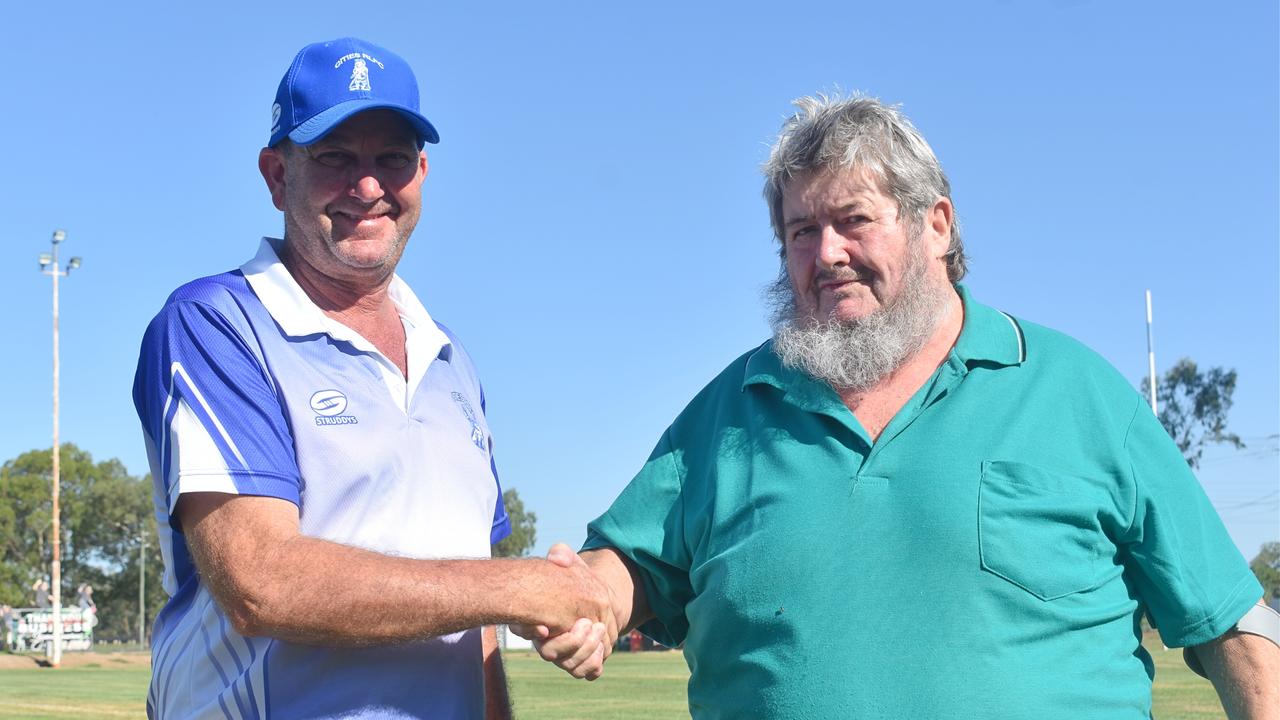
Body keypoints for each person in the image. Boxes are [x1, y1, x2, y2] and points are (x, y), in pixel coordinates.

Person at [527, 95, 1280, 718]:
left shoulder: (1077, 393)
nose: (826, 254)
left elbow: (1230, 625)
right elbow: (629, 564)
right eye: (800, 232)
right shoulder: (729, 412)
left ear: (936, 225)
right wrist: (592, 596)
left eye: (854, 220)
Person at [133, 37, 613, 720]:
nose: (368, 186)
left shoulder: (452, 364)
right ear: (277, 176)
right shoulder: (215, 323)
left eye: (391, 158)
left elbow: (472, 632)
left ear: (421, 173)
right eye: (334, 157)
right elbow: (261, 582)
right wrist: (522, 586)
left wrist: (516, 600)